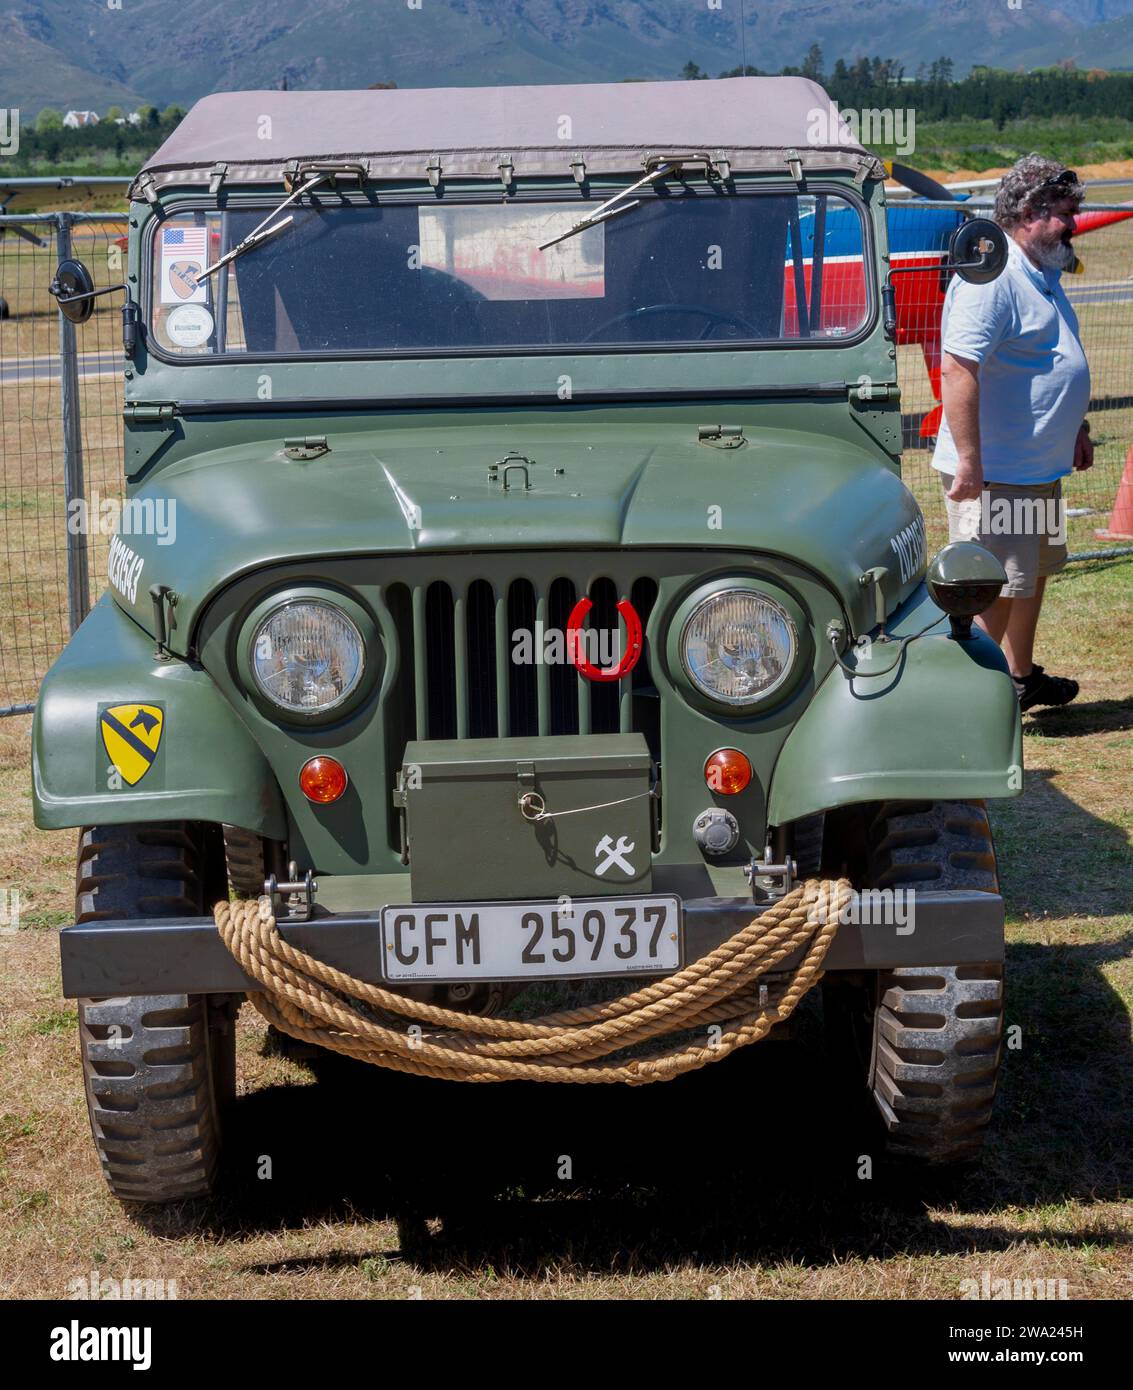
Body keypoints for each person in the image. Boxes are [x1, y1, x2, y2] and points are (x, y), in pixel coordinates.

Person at [933, 155, 1093, 711]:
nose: (1075, 223)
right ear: (1031, 212)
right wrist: (971, 464)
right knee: (992, 589)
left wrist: (1078, 426)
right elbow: (958, 368)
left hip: (1036, 470)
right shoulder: (992, 277)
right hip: (999, 476)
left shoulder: (1040, 270)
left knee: (1031, 577)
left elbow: (1053, 358)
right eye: (1067, 213)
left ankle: (1020, 679)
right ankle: (969, 704)